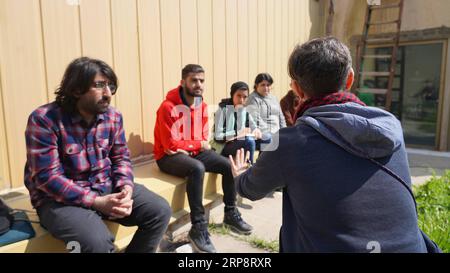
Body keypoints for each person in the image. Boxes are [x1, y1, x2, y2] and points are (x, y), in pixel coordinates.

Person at [230, 37, 428, 252]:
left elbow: (251, 189)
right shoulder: (391, 126)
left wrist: (240, 175)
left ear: (297, 88)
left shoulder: (290, 142)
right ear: (350, 78)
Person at [24, 57, 171, 253]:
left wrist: (125, 187)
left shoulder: (113, 117)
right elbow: (47, 178)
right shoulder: (44, 119)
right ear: (76, 89)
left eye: (110, 86)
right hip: (58, 199)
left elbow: (121, 158)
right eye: (100, 85)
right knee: (97, 243)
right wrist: (95, 201)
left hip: (105, 185)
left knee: (160, 211)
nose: (108, 94)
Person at [154, 64, 252, 253]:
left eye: (201, 80)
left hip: (191, 152)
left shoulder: (202, 105)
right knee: (197, 168)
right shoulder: (168, 107)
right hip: (166, 158)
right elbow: (170, 146)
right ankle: (198, 227)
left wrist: (192, 146)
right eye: (194, 80)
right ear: (183, 82)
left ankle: (230, 212)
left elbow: (202, 137)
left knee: (227, 164)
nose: (199, 84)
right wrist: (196, 145)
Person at [212, 81, 262, 163]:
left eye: (245, 97)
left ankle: (261, 168)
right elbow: (218, 136)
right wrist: (237, 133)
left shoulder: (244, 110)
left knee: (268, 139)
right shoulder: (222, 111)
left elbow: (253, 126)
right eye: (239, 96)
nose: (241, 100)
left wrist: (256, 130)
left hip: (240, 142)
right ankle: (250, 172)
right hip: (223, 147)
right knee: (249, 141)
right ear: (232, 95)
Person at [246, 73, 286, 149]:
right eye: (263, 85)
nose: (266, 88)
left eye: (268, 85)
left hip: (277, 132)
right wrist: (272, 133)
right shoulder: (253, 99)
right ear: (256, 85)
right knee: (270, 138)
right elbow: (255, 120)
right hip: (262, 134)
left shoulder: (274, 98)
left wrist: (283, 132)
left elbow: (281, 118)